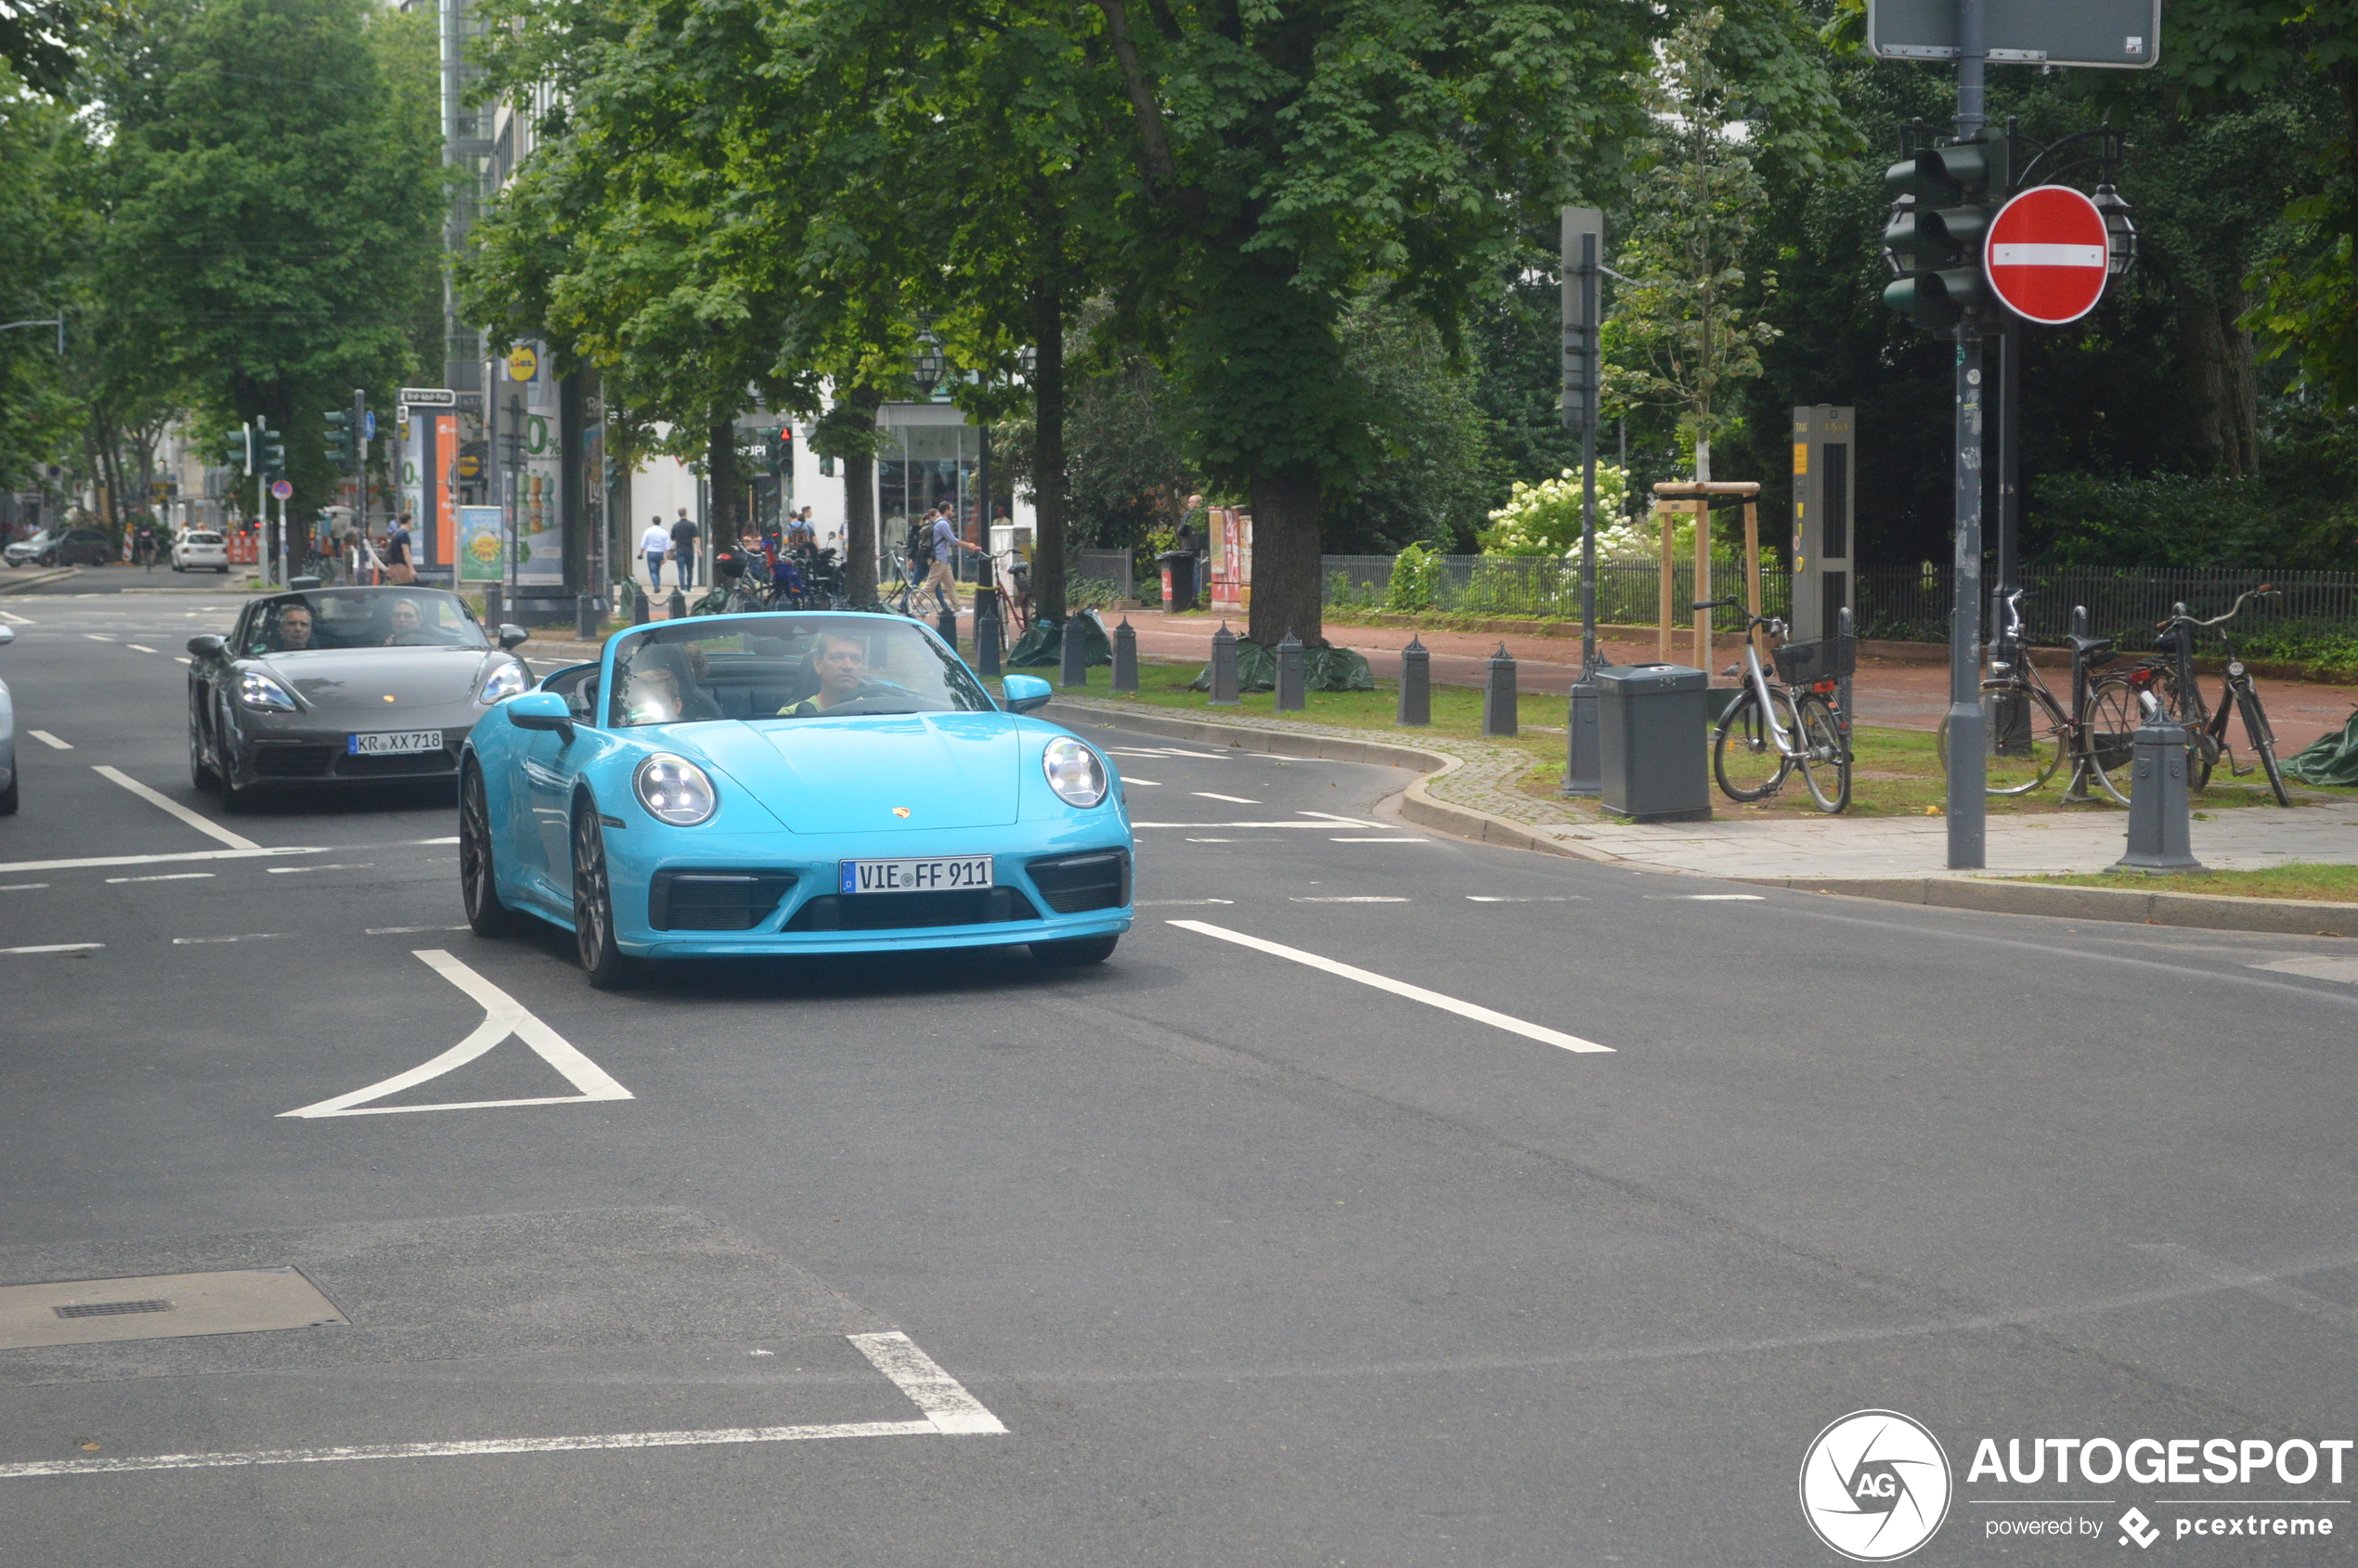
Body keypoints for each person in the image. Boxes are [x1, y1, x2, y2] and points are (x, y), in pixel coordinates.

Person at [777, 631, 873, 715]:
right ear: (818, 664)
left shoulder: (875, 712)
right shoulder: (790, 716)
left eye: (856, 659)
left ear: (862, 665)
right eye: (837, 657)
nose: (848, 666)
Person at [926, 503, 975, 616]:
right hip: (938, 559)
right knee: (930, 585)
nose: (953, 512)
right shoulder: (943, 523)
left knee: (950, 584)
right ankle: (911, 605)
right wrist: (969, 545)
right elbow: (953, 540)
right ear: (946, 510)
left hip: (942, 559)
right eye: (951, 510)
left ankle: (958, 608)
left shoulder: (940, 522)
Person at [670, 508, 701, 589]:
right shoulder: (692, 525)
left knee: (681, 571)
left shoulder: (676, 526)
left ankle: (682, 588)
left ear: (679, 514)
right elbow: (696, 537)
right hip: (689, 550)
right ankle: (689, 587)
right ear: (686, 513)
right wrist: (699, 549)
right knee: (690, 570)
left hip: (679, 550)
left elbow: (672, 538)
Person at [640, 515, 669, 591]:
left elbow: (644, 544)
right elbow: (667, 546)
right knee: (658, 571)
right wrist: (666, 557)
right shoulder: (664, 532)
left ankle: (656, 586)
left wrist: (641, 553)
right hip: (660, 553)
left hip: (651, 552)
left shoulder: (648, 531)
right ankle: (658, 585)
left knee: (653, 572)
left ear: (653, 522)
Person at [384, 514, 416, 586]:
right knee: (406, 586)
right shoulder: (404, 534)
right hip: (401, 565)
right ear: (409, 521)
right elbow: (406, 551)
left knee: (398, 587)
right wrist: (411, 569)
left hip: (394, 565)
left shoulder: (396, 533)